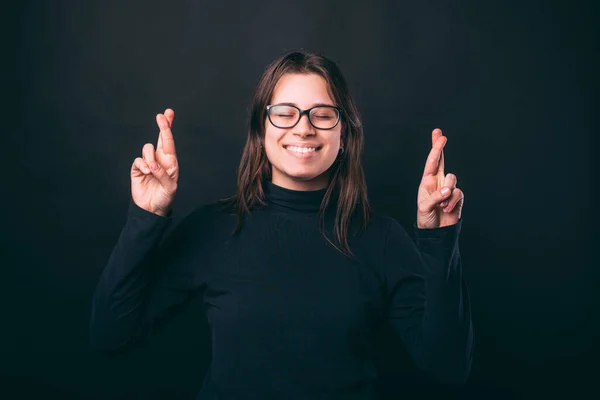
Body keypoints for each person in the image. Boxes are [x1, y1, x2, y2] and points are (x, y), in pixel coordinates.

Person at [89, 51, 473, 399]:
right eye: (285, 113)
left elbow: (449, 366)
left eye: (322, 114)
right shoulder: (213, 229)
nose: (304, 128)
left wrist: (439, 240)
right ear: (261, 128)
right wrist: (147, 217)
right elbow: (110, 335)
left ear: (345, 134)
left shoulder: (382, 238)